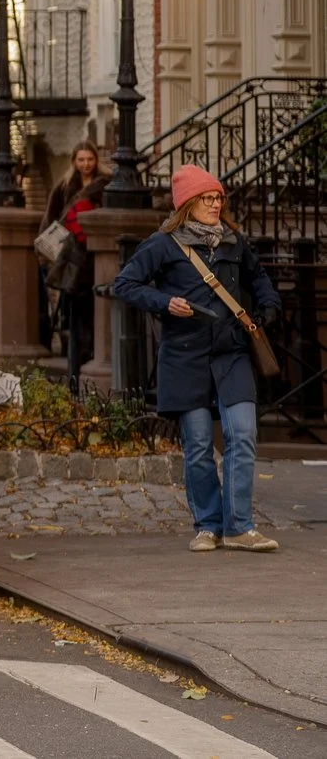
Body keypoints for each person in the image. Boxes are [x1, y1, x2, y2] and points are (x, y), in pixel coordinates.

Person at [112, 165, 283, 553]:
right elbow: (123, 284)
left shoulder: (234, 242)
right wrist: (164, 302)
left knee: (243, 434)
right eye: (207, 198)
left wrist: (269, 307)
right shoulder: (163, 244)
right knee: (200, 444)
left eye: (218, 198)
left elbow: (260, 280)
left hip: (232, 352)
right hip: (184, 356)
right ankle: (208, 525)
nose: (214, 204)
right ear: (187, 204)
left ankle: (240, 526)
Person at [42, 143, 105, 385]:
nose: (86, 164)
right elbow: (52, 219)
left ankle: (85, 371)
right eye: (81, 159)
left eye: (90, 159)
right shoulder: (64, 187)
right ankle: (74, 376)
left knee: (93, 320)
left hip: (93, 260)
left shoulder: (104, 185)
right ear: (74, 161)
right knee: (75, 321)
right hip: (71, 261)